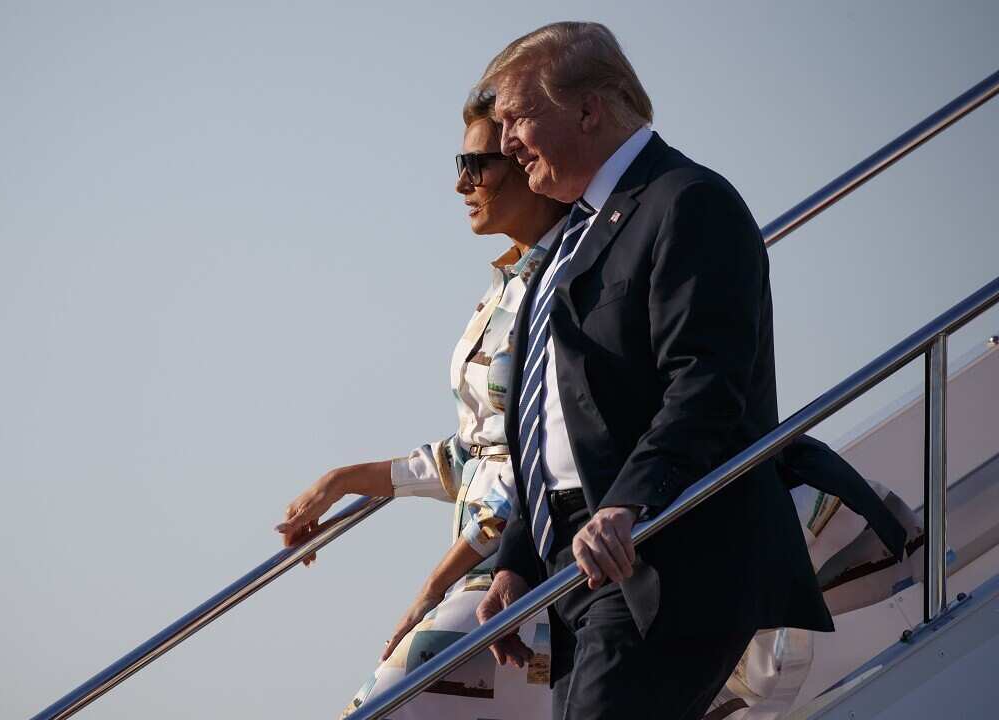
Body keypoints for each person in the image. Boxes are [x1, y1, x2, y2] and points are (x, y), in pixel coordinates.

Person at [473, 22, 834, 720]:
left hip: (661, 553)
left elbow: (706, 381)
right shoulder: (571, 237)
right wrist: (516, 557)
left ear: (588, 110)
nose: (507, 141)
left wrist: (627, 505)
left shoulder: (687, 202)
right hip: (578, 564)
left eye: (518, 116)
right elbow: (556, 414)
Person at [276, 91, 569, 718]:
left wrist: (431, 589)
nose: (462, 183)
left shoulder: (569, 285)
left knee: (385, 705)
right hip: (481, 566)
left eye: (478, 166)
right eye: (458, 165)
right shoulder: (507, 288)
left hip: (530, 565)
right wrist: (343, 481)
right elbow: (471, 454)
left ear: (528, 161)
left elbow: (540, 460)